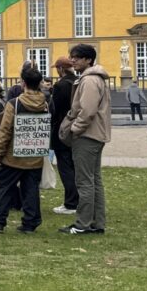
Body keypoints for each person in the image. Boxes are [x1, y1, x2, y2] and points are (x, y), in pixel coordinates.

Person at [0, 65, 49, 234]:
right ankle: (31, 222)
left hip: (13, 155)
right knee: (31, 190)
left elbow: (5, 131)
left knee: (3, 187)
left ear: (23, 83)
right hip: (35, 154)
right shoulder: (45, 104)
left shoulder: (14, 103)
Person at [59, 44, 111, 235]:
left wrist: (75, 129)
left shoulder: (89, 81)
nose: (73, 60)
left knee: (85, 181)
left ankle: (83, 223)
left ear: (88, 60)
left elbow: (87, 111)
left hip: (87, 135)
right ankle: (97, 221)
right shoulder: (96, 79)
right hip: (95, 134)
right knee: (94, 180)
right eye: (72, 57)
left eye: (77, 57)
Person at [49, 57, 79, 215]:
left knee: (65, 167)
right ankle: (78, 200)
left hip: (62, 130)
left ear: (61, 69)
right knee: (74, 167)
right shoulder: (77, 82)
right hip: (76, 129)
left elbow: (55, 110)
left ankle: (70, 203)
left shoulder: (60, 85)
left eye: (57, 68)